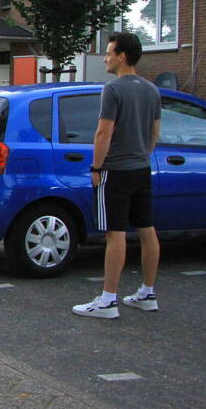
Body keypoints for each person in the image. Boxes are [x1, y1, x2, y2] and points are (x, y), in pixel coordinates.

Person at [72, 32, 161, 319]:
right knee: (147, 230)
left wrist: (97, 167)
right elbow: (154, 133)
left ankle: (108, 300)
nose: (106, 58)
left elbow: (104, 131)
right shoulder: (152, 90)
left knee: (115, 233)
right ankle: (148, 292)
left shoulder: (112, 89)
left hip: (116, 170)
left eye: (109, 52)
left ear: (122, 56)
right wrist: (142, 153)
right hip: (141, 168)